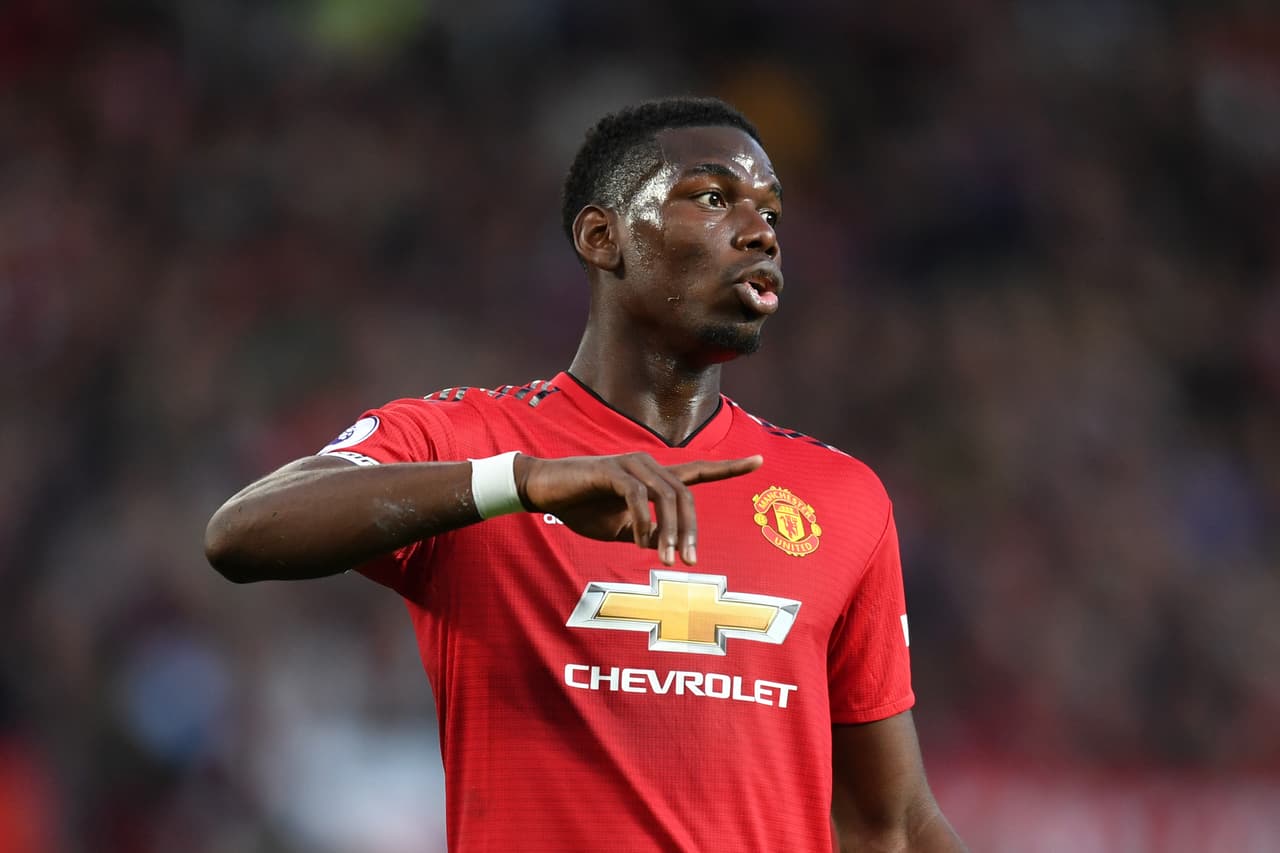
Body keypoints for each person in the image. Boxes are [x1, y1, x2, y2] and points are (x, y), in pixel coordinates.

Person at [205, 96, 966, 852]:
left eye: (771, 212)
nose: (759, 231)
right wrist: (520, 481)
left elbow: (890, 823)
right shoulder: (468, 438)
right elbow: (242, 534)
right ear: (603, 238)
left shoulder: (839, 496)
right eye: (712, 197)